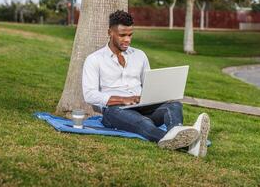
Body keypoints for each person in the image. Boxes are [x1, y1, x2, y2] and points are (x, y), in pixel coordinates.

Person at [82, 10, 210, 157]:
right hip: (115, 111)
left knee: (174, 105)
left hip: (142, 106)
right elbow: (89, 95)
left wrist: (157, 95)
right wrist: (124, 100)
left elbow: (149, 83)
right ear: (110, 32)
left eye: (130, 35)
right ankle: (190, 145)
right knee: (144, 123)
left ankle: (178, 133)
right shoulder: (94, 59)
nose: (128, 40)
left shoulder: (140, 55)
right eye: (122, 35)